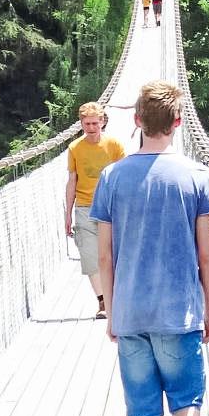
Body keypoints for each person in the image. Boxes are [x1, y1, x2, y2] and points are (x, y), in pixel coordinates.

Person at [91, 79, 209, 416]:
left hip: (131, 314)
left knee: (145, 414)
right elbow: (206, 255)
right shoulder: (197, 177)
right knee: (188, 400)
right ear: (179, 122)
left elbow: (105, 256)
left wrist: (111, 311)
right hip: (179, 313)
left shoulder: (111, 177)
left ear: (137, 120)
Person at [63, 102, 126, 318]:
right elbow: (72, 180)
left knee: (113, 256)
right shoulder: (74, 148)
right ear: (81, 124)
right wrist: (67, 214)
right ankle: (103, 302)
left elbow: (124, 177)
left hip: (111, 207)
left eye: (94, 123)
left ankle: (116, 297)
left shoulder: (115, 145)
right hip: (84, 207)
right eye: (86, 124)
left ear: (102, 122)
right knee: (90, 257)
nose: (90, 128)